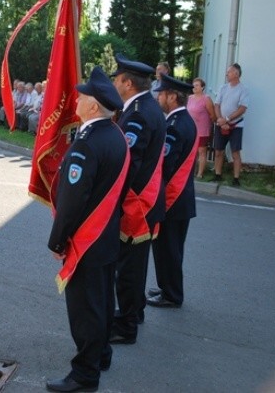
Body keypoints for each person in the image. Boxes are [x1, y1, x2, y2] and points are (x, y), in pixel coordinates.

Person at [46, 66, 129, 393]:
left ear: (94, 107)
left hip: (88, 240)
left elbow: (72, 200)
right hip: (107, 236)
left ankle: (84, 375)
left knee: (85, 311)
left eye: (82, 97)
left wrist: (57, 240)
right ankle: (102, 354)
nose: (76, 100)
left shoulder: (86, 143)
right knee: (103, 303)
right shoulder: (116, 135)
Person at [109, 53, 166, 341]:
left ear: (128, 83)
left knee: (128, 269)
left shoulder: (139, 114)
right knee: (136, 264)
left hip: (137, 203)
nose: (115, 84)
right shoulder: (145, 106)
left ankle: (126, 326)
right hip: (145, 201)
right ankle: (137, 311)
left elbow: (129, 163)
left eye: (117, 80)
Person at [146, 76, 197, 309]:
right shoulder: (184, 121)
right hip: (181, 199)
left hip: (173, 198)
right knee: (172, 248)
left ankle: (172, 295)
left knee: (169, 249)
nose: (158, 98)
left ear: (173, 97)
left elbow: (166, 164)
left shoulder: (175, 126)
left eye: (162, 94)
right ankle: (168, 287)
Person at [212, 63, 250, 186]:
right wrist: (220, 120)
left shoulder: (243, 90)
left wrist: (227, 119)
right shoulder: (223, 88)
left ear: (236, 74)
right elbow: (217, 105)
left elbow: (242, 108)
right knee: (218, 151)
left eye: (229, 72)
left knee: (235, 152)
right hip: (221, 124)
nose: (226, 74)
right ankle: (217, 175)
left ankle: (236, 178)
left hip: (236, 125)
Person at [187, 77, 216, 179]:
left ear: (202, 87)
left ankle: (200, 173)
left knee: (202, 151)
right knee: (192, 152)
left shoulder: (206, 99)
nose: (194, 87)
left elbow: (212, 115)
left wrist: (209, 124)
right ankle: (191, 171)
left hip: (202, 130)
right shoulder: (190, 98)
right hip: (191, 130)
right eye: (193, 85)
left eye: (197, 85)